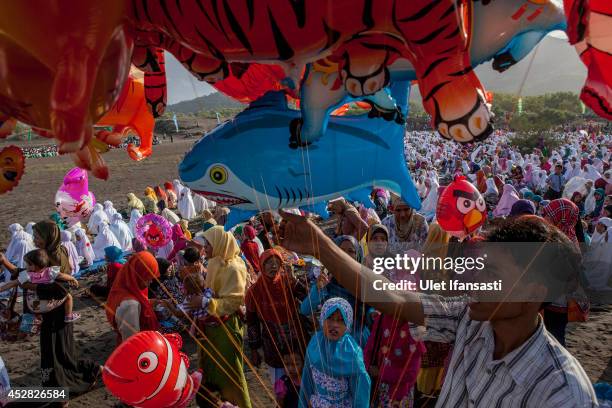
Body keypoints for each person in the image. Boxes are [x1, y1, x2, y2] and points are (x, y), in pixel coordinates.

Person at [278, 212, 598, 407]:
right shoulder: (469, 320)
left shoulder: (561, 392)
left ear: (535, 292)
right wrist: (320, 244)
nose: (476, 280)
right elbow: (390, 295)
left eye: (494, 275)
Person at [1, 220, 99, 395]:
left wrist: (31, 287)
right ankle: (64, 386)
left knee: (59, 353)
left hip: (57, 314)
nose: (35, 239)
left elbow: (62, 288)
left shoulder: (57, 257)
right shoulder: (44, 254)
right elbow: (27, 273)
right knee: (54, 353)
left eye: (38, 236)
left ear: (48, 236)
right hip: (46, 313)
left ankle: (66, 388)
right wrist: (4, 261)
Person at [188, 226, 251, 408]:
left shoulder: (234, 267)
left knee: (229, 371)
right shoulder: (214, 262)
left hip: (226, 328)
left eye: (208, 243)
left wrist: (205, 303)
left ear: (219, 243)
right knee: (212, 369)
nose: (205, 247)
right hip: (211, 325)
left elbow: (232, 302)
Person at [246, 249, 308, 386]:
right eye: (269, 263)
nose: (273, 266)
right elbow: (252, 322)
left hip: (296, 340)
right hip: (273, 343)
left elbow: (308, 298)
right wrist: (254, 349)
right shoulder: (254, 291)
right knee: (281, 385)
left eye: (276, 263)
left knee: (302, 381)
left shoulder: (289, 282)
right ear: (262, 265)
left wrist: (295, 281)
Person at [299, 297, 371, 408]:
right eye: (330, 318)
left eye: (341, 320)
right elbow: (306, 378)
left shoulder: (352, 351)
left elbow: (360, 393)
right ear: (322, 319)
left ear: (347, 324)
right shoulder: (315, 343)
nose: (335, 325)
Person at [0, 249, 80, 322]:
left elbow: (12, 283)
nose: (26, 266)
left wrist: (1, 289)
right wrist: (72, 278)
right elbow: (62, 276)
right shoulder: (50, 271)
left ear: (34, 265)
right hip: (48, 304)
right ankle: (68, 315)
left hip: (33, 305)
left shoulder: (27, 275)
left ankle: (36, 319)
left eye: (27, 264)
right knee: (68, 296)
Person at [106, 251, 160, 343]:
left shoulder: (126, 285)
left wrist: (150, 303)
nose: (150, 282)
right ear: (139, 276)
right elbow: (132, 341)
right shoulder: (130, 305)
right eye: (148, 278)